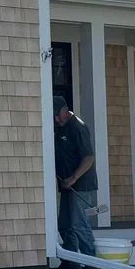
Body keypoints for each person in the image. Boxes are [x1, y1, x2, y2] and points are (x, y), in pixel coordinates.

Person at [53, 92, 98, 256]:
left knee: (79, 223)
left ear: (65, 110)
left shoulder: (77, 127)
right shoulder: (59, 126)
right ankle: (71, 262)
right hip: (66, 184)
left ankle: (92, 262)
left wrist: (73, 178)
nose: (56, 120)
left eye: (58, 116)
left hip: (81, 185)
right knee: (65, 225)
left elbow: (89, 157)